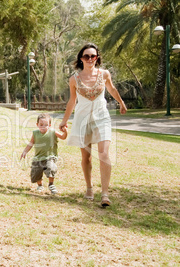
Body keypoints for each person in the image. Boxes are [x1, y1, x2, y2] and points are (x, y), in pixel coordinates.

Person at [59, 43, 127, 207]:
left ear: (97, 58)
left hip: (102, 117)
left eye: (93, 56)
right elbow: (72, 101)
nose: (90, 59)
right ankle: (89, 187)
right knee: (87, 157)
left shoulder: (104, 74)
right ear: (81, 59)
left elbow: (111, 89)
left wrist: (121, 103)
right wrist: (64, 121)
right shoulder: (74, 79)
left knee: (104, 154)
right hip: (82, 119)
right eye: (86, 56)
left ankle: (105, 194)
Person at [21, 113, 67, 195]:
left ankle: (51, 185)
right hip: (38, 158)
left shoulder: (52, 132)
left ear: (49, 125)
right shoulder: (35, 133)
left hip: (50, 156)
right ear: (37, 124)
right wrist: (25, 151)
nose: (43, 126)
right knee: (36, 172)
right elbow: (31, 143)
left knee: (51, 167)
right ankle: (40, 185)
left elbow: (63, 137)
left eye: (46, 125)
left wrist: (65, 132)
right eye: (41, 124)